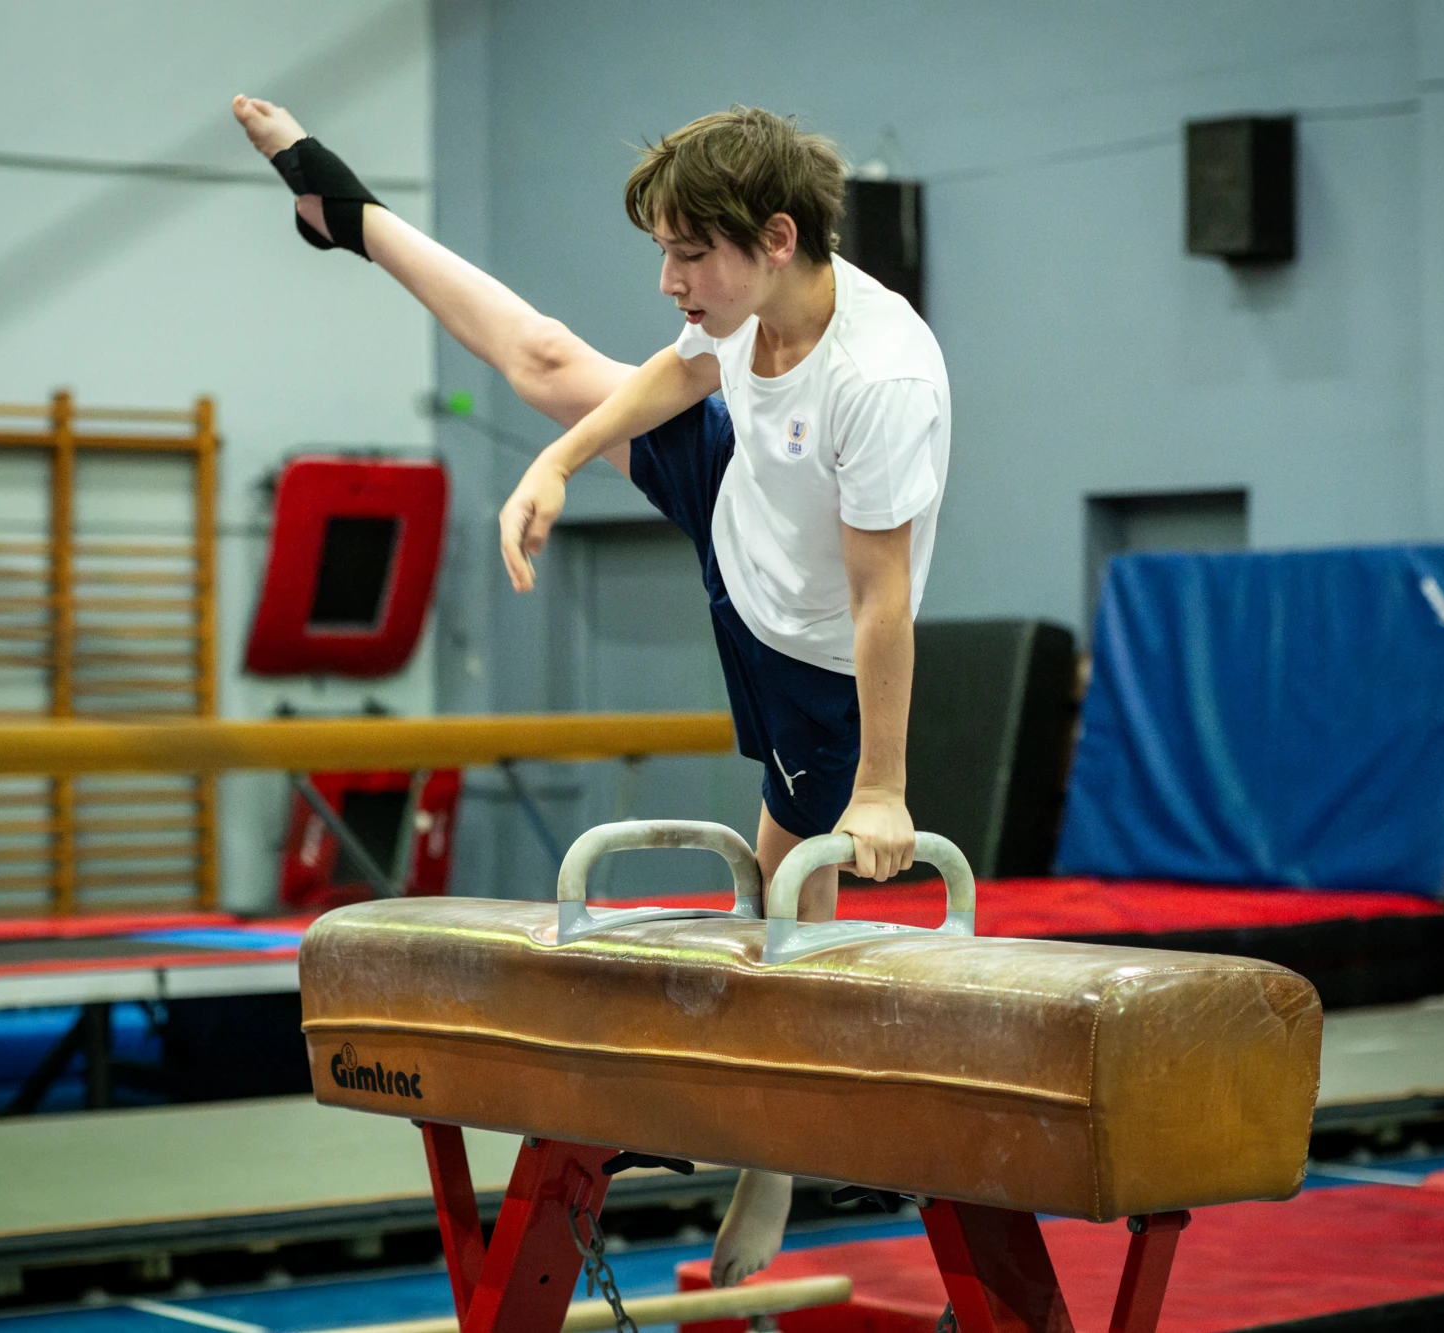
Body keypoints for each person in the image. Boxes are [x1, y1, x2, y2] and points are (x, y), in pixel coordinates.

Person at [232, 95, 951, 1286]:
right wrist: (555, 461)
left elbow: (882, 601)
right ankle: (344, 213)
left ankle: (769, 1161)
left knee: (783, 904)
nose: (669, 280)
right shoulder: (742, 302)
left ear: (774, 238)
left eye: (687, 254)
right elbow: (674, 376)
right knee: (550, 363)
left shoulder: (882, 380)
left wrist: (881, 788)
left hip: (816, 653)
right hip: (741, 515)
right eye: (660, 251)